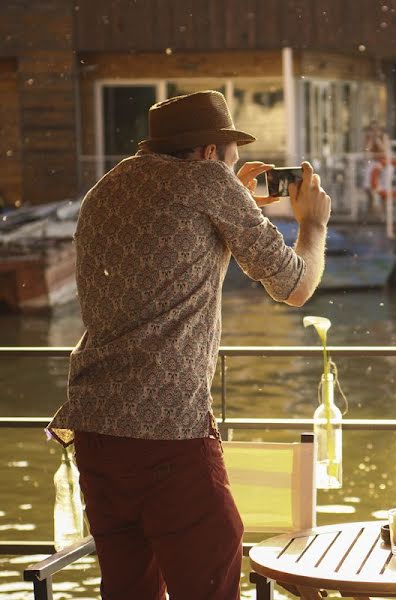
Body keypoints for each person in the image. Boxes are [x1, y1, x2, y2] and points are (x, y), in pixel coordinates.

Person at [45, 90, 331, 599]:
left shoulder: (106, 189)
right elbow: (295, 286)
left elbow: (168, 226)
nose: (232, 167)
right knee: (212, 572)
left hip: (96, 428)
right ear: (208, 152)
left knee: (131, 586)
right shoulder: (208, 181)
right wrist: (313, 224)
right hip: (167, 429)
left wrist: (234, 197)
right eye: (230, 157)